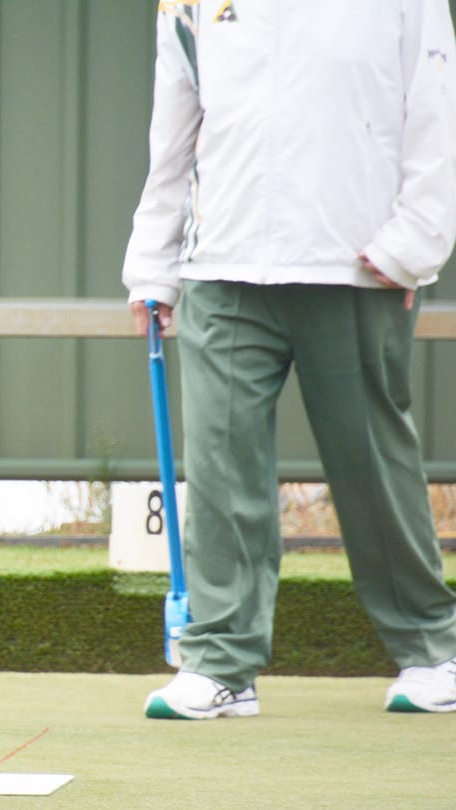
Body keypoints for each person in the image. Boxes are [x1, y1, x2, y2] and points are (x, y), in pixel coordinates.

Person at [123, 0, 456, 719]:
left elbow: (434, 105)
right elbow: (173, 128)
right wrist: (151, 264)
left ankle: (431, 650)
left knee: (371, 464)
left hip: (359, 264)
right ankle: (220, 661)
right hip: (221, 265)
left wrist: (413, 241)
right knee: (219, 467)